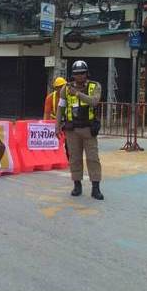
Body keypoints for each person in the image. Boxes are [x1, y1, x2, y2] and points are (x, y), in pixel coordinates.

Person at [56, 60, 104, 200]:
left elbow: (94, 102)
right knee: (74, 158)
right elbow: (61, 107)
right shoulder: (66, 89)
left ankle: (96, 188)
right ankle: (77, 185)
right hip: (72, 129)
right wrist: (57, 125)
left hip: (89, 129)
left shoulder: (95, 86)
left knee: (93, 158)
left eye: (82, 73)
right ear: (73, 75)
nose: (80, 76)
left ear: (87, 73)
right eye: (77, 74)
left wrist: (77, 94)